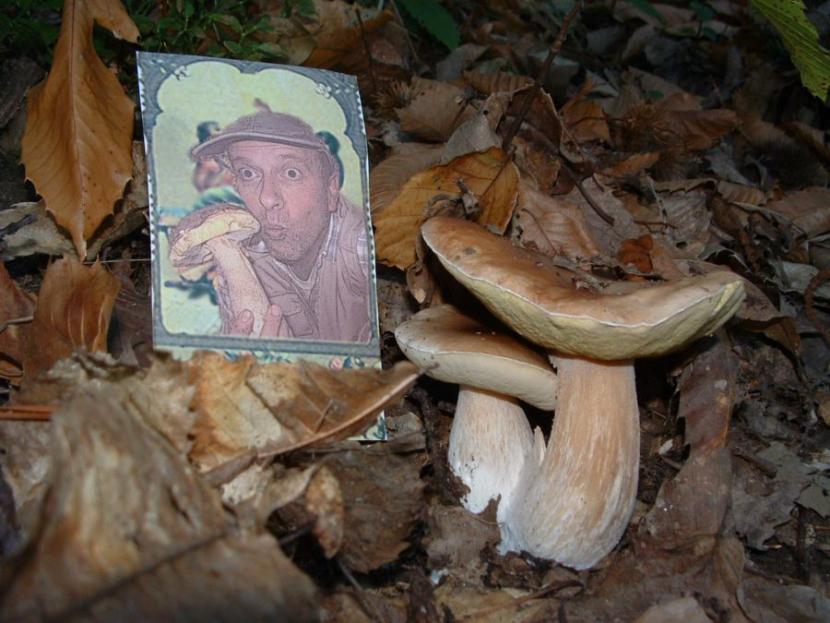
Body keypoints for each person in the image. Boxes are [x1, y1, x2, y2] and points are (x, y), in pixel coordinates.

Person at [177, 105, 372, 342]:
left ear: (331, 188)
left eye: (291, 173)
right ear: (237, 185)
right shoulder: (238, 266)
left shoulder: (361, 245)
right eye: (248, 173)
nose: (267, 198)